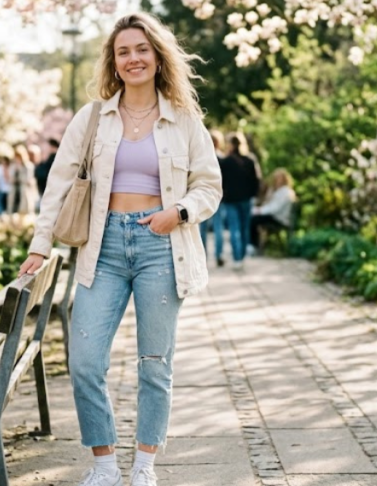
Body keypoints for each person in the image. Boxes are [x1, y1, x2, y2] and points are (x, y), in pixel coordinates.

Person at [18, 12, 222, 486]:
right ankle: (105, 463)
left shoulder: (184, 119)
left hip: (160, 246)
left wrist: (180, 212)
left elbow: (210, 185)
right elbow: (59, 184)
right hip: (102, 246)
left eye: (141, 49)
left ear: (157, 56)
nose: (133, 59)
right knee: (84, 362)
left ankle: (145, 465)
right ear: (114, 61)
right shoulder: (92, 117)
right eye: (123, 51)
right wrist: (40, 245)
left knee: (155, 363)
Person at [219, 132, 261, 270]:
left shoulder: (225, 162)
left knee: (234, 229)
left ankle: (237, 258)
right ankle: (241, 257)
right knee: (244, 228)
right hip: (246, 199)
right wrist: (253, 195)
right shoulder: (250, 161)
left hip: (231, 200)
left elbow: (220, 182)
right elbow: (256, 180)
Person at [198, 129, 227, 267]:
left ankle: (203, 256)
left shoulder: (203, 157)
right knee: (218, 227)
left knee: (202, 227)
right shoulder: (223, 159)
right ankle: (219, 254)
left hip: (203, 196)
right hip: (219, 197)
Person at [250, 168, 296, 250]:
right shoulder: (278, 191)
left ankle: (253, 245)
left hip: (279, 218)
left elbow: (274, 208)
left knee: (253, 220)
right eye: (276, 178)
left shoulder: (286, 192)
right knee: (253, 218)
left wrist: (259, 211)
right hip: (275, 216)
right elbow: (269, 204)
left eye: (279, 178)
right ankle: (253, 245)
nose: (277, 181)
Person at [10, 145, 36, 215]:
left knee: (24, 211)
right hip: (15, 191)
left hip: (24, 192)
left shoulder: (28, 166)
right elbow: (11, 179)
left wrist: (20, 171)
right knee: (14, 211)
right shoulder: (13, 166)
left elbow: (28, 180)